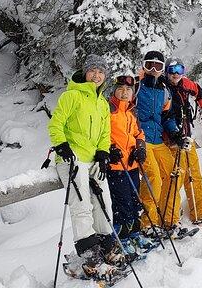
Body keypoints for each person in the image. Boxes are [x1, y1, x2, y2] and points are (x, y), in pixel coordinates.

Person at [48, 54, 123, 275]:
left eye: (101, 72)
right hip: (71, 160)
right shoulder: (71, 96)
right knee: (81, 207)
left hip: (92, 160)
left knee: (102, 204)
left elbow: (105, 133)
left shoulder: (101, 102)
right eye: (93, 71)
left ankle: (106, 247)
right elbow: (56, 124)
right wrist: (62, 146)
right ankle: (91, 258)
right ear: (85, 72)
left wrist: (103, 151)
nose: (96, 75)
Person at [106, 75, 159, 256]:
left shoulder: (132, 111)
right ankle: (122, 238)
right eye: (120, 89)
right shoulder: (108, 110)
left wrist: (141, 148)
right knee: (122, 203)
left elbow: (139, 133)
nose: (124, 92)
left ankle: (135, 233)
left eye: (128, 90)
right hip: (116, 166)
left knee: (135, 200)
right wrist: (109, 149)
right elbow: (100, 134)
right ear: (114, 90)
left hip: (132, 164)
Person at [135, 51, 186, 235]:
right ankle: (148, 223)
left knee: (176, 173)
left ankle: (169, 219)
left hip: (157, 140)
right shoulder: (136, 87)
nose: (154, 70)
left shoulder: (164, 91)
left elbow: (167, 116)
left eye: (158, 66)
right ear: (144, 66)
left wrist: (175, 132)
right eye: (150, 65)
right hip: (141, 139)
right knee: (154, 177)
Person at [165, 57, 202, 225]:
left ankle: (201, 211)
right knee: (176, 177)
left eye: (179, 70)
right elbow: (165, 116)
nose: (176, 74)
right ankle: (171, 216)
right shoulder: (163, 88)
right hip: (172, 140)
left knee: (195, 175)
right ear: (166, 72)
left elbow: (199, 92)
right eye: (172, 70)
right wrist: (174, 135)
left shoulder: (185, 84)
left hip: (187, 136)